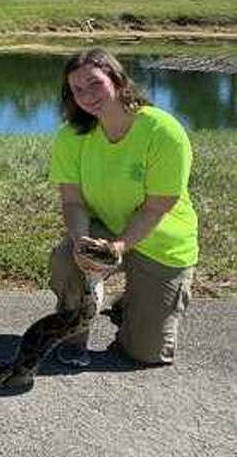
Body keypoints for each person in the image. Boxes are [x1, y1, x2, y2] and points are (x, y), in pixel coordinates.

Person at [48, 48, 197, 367]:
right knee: (66, 260)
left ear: (117, 79)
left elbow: (156, 208)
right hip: (105, 229)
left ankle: (128, 305)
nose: (87, 95)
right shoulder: (71, 136)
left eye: (94, 83)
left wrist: (118, 247)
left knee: (146, 354)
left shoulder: (162, 131)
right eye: (77, 89)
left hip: (161, 241)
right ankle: (73, 336)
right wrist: (80, 244)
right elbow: (72, 201)